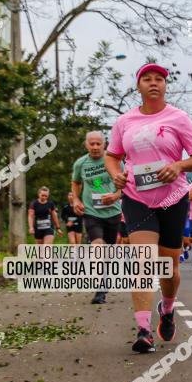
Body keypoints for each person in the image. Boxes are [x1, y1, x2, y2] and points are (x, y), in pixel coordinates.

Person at [105, 63, 192, 353]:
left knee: (169, 268)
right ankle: (143, 330)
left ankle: (167, 306)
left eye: (159, 79)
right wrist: (116, 174)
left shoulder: (179, 118)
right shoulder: (125, 121)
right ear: (138, 86)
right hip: (136, 197)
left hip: (173, 199)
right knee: (142, 262)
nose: (153, 83)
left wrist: (178, 165)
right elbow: (112, 156)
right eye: (147, 79)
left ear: (165, 85)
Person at [71, 130, 123, 304]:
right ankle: (100, 289)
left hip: (113, 212)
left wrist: (116, 196)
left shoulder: (113, 160)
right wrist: (76, 199)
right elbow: (76, 182)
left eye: (98, 143)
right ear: (86, 145)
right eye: (91, 143)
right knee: (98, 247)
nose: (94, 147)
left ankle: (105, 279)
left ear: (104, 144)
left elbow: (124, 184)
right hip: (91, 212)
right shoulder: (80, 163)